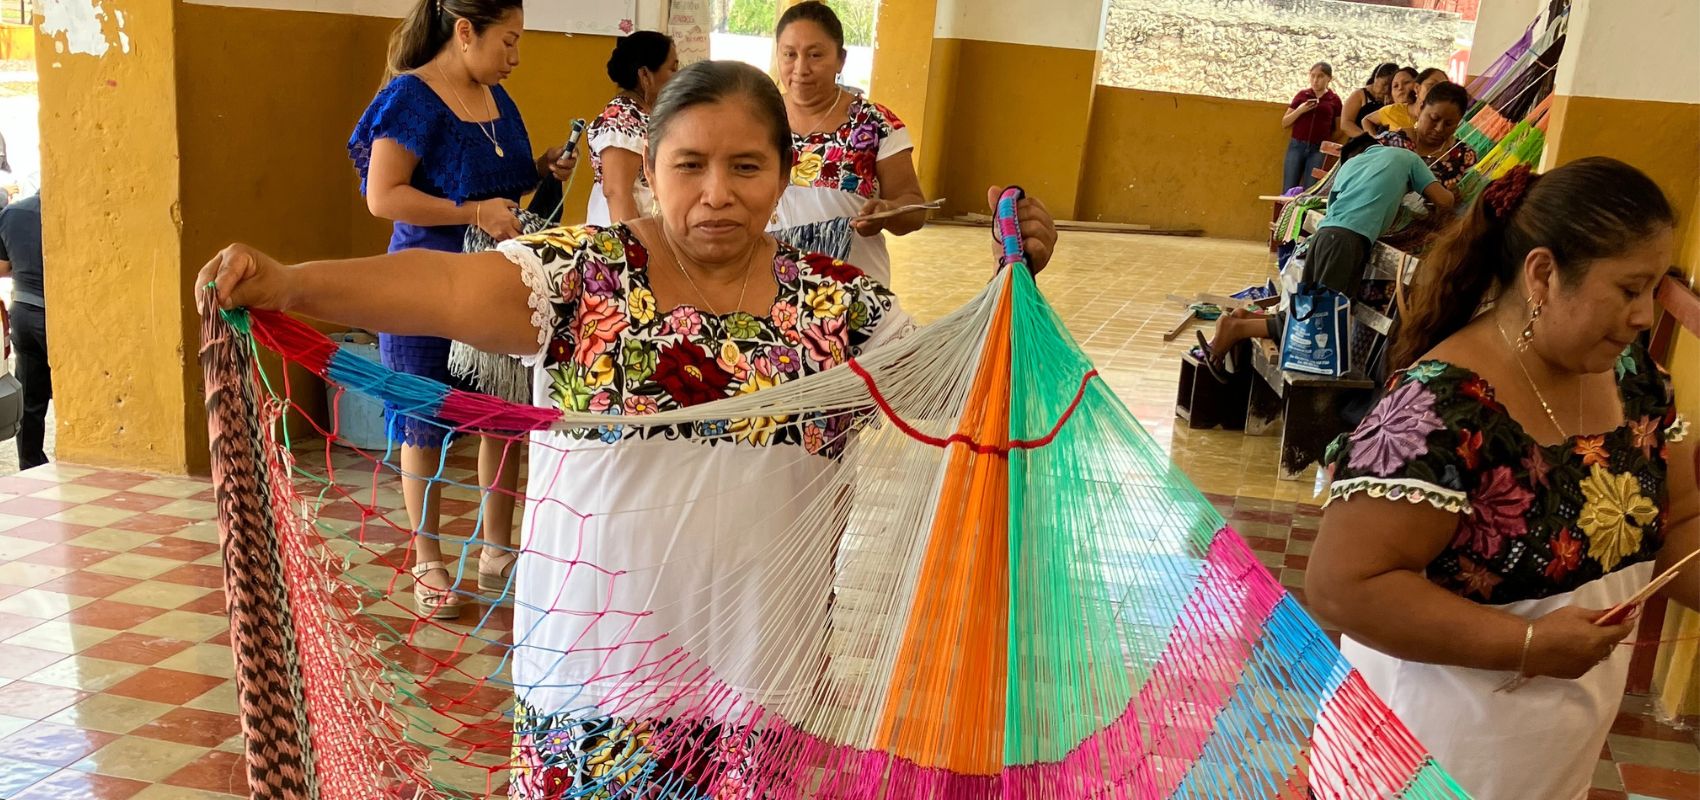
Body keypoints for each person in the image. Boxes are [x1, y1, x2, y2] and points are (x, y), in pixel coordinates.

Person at [200, 60, 1057, 798]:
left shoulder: (836, 303)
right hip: (597, 682)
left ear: (786, 171)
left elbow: (956, 390)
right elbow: (442, 289)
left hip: (763, 679)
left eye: (747, 166)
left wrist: (1012, 290)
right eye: (690, 166)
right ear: (651, 166)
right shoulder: (582, 278)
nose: (718, 194)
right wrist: (291, 283)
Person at [1306, 158, 1698, 800]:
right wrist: (1527, 643)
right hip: (1421, 758)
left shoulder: (1635, 381)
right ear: (1543, 274)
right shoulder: (1439, 410)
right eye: (1629, 289)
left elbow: (1678, 525)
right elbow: (1344, 586)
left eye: (1656, 288)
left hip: (1546, 757)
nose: (1644, 317)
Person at [349, 0, 576, 619]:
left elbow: (498, 188)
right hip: (420, 284)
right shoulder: (411, 99)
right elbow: (384, 197)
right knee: (422, 420)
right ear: (465, 31)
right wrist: (472, 214)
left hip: (492, 281)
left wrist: (542, 170)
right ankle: (428, 559)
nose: (516, 56)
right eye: (508, 41)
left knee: (500, 414)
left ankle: (496, 549)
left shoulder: (499, 100)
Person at [1202, 144, 1454, 373]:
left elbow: (1334, 203)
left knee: (1309, 307)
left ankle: (1244, 318)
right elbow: (1445, 200)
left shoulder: (1350, 166)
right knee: (1323, 316)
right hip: (1348, 242)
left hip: (1325, 236)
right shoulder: (1409, 159)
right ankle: (1236, 328)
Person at [770, 1, 926, 286]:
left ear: (840, 59)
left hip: (854, 292)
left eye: (815, 54)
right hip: (770, 288)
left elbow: (914, 208)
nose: (800, 68)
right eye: (789, 54)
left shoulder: (875, 124)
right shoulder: (757, 118)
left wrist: (887, 212)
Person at [585, 31, 677, 226]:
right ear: (645, 74)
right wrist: (636, 250)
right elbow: (617, 192)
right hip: (624, 240)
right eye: (672, 69)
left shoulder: (647, 114)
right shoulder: (622, 118)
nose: (677, 78)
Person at [0, 191, 47, 469]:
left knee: (31, 394)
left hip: (24, 312)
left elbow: (3, 266)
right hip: (58, 313)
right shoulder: (74, 212)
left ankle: (30, 465)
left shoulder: (12, 213)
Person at [1375, 81, 1477, 196]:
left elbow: (1470, 199)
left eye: (1449, 124)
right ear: (1421, 108)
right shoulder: (1390, 143)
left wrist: (1457, 197)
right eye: (1434, 118)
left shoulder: (1465, 157)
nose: (1439, 128)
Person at [1281, 62, 1343, 192]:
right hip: (1296, 146)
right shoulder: (1302, 96)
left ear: (1329, 79)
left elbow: (1338, 129)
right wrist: (1300, 110)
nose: (1315, 80)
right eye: (1313, 76)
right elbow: (1285, 123)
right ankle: (1285, 212)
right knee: (1289, 188)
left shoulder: (1334, 100)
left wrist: (1325, 143)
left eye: (1320, 76)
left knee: (1312, 190)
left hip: (1318, 151)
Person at [1339, 62, 1398, 141]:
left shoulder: (1392, 99)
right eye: (1384, 84)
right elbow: (1345, 124)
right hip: (1360, 143)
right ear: (1376, 78)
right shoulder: (1360, 95)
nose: (1387, 89)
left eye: (1390, 86)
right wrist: (1367, 139)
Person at [1361, 66, 1418, 136]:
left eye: (1406, 82)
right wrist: (1375, 141)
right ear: (1391, 96)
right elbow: (1366, 120)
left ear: (1418, 86)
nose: (1400, 88)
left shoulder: (1427, 108)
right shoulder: (1391, 110)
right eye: (1395, 86)